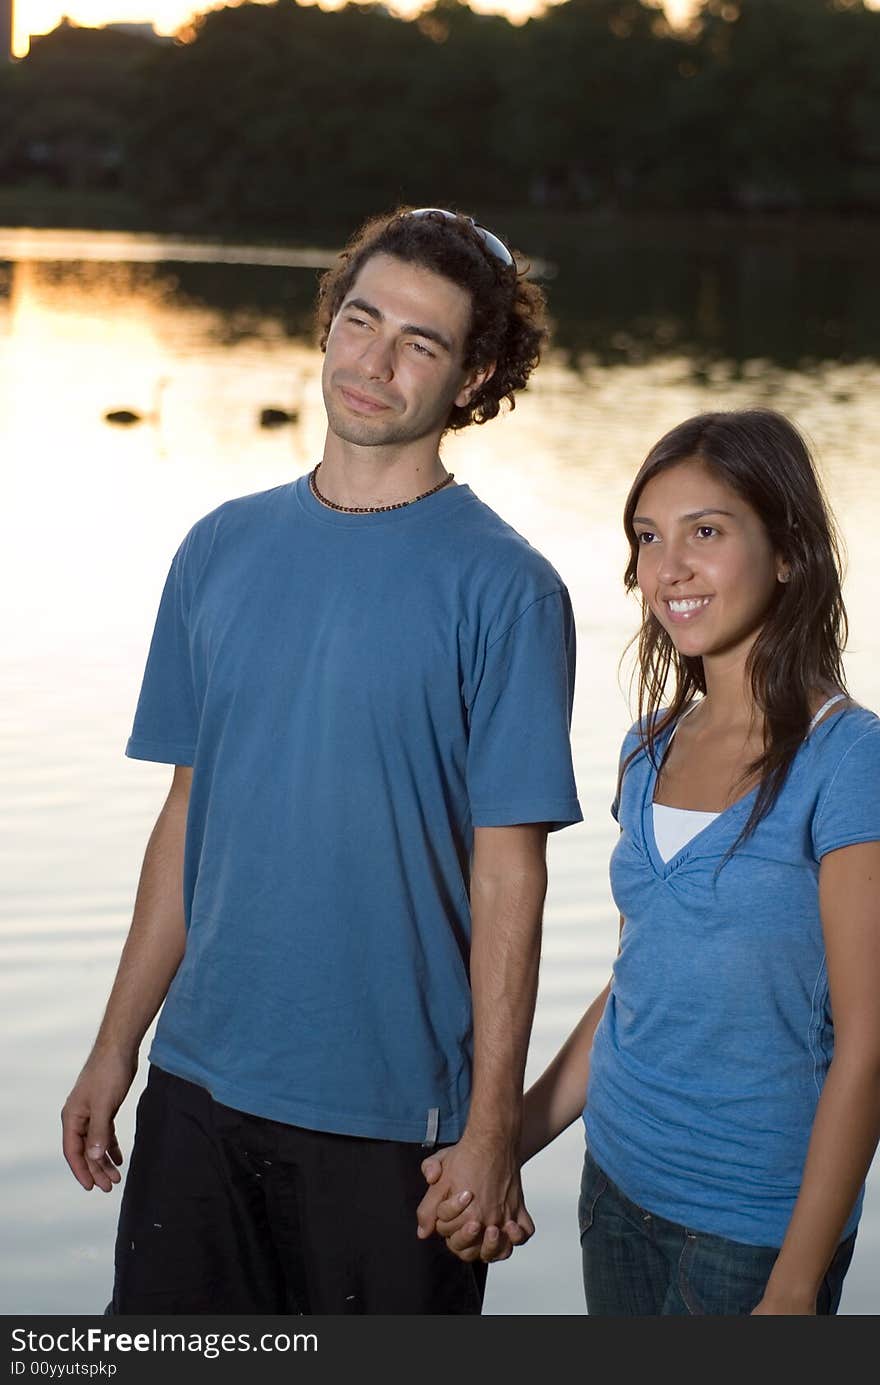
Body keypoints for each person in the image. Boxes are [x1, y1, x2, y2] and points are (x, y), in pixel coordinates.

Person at [60, 207, 583, 1314]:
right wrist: (117, 1045)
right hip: (199, 1091)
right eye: (361, 320)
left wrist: (494, 1127)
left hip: (397, 1125)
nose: (373, 362)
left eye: (420, 343)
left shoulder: (507, 589)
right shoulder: (218, 548)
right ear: (329, 322)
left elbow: (509, 877)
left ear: (474, 374)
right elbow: (185, 823)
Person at [422, 408, 880, 1314]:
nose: (667, 568)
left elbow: (868, 1043)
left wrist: (793, 1287)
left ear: (788, 551)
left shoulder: (849, 759)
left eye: (705, 531)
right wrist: (503, 1141)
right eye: (647, 537)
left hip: (754, 1228)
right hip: (618, 1189)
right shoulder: (648, 746)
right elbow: (637, 981)